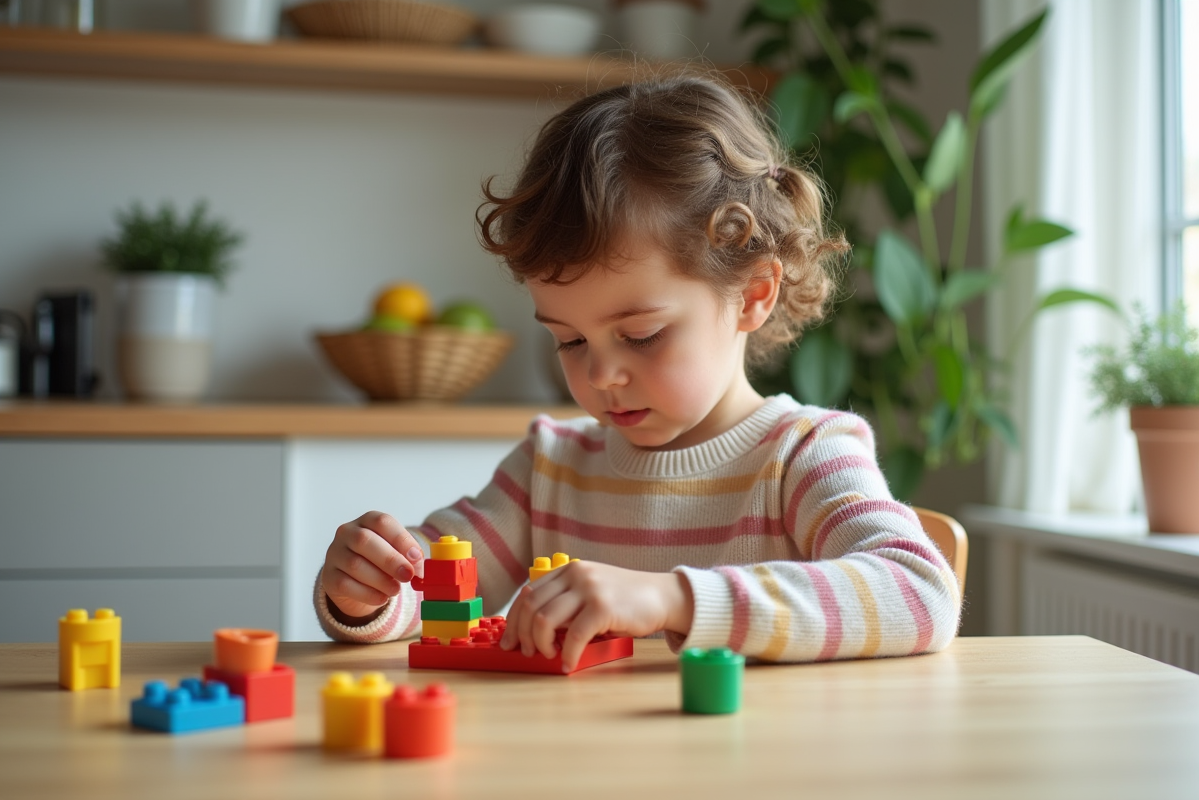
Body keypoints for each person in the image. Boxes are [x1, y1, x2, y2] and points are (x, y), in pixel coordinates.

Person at [316, 72, 961, 671]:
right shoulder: (549, 469)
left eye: (641, 336)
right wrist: (368, 590)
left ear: (754, 293)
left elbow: (919, 593)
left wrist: (673, 600)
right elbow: (434, 598)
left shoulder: (802, 457)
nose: (602, 374)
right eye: (568, 341)